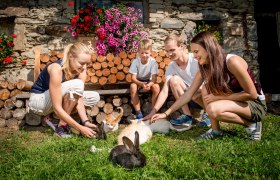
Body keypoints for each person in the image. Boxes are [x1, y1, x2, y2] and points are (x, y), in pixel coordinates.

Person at [151, 31, 267, 141]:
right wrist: (166, 113)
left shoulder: (232, 62)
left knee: (213, 109)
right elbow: (188, 94)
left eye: (196, 52)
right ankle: (215, 131)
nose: (194, 56)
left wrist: (218, 98)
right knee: (206, 88)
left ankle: (252, 124)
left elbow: (252, 94)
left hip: (255, 105)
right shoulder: (205, 67)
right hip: (236, 102)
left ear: (208, 48)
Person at [28, 42, 100, 138]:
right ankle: (62, 127)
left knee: (93, 97)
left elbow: (78, 98)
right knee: (77, 84)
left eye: (87, 64)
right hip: (38, 102)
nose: (84, 67)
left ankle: (54, 119)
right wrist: (80, 128)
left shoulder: (81, 70)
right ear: (70, 56)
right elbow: (57, 108)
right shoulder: (56, 69)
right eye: (82, 63)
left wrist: (85, 121)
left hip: (54, 102)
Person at [143, 34, 210, 129]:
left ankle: (209, 114)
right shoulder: (171, 66)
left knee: (199, 88)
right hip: (189, 98)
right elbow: (164, 91)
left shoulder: (196, 59)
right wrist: (153, 112)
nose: (169, 54)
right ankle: (187, 116)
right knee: (174, 80)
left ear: (181, 46)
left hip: (206, 97)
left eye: (172, 50)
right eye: (166, 51)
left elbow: (210, 83)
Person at [129, 39, 160, 119]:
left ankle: (153, 111)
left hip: (149, 81)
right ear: (138, 53)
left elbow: (154, 80)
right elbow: (133, 78)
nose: (144, 55)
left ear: (150, 52)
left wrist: (148, 85)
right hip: (138, 81)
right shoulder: (135, 62)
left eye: (146, 53)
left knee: (156, 87)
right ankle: (138, 112)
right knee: (133, 86)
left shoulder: (153, 62)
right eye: (142, 53)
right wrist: (141, 84)